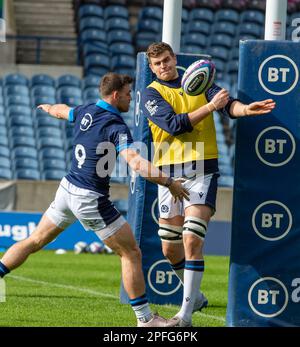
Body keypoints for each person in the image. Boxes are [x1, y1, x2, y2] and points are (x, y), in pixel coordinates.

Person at [0, 72, 189, 327]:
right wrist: (169, 182)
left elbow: (61, 110)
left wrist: (47, 108)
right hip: (89, 196)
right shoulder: (115, 125)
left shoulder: (85, 111)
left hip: (67, 188)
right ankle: (145, 320)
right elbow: (135, 163)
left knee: (35, 240)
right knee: (131, 253)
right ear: (115, 95)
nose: (130, 98)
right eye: (127, 94)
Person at [142, 42, 276, 327]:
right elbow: (174, 124)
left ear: (174, 58)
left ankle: (185, 315)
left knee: (192, 239)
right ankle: (197, 297)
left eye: (166, 60)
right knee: (170, 249)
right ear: (152, 68)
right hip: (168, 174)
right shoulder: (151, 94)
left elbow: (226, 105)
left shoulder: (199, 79)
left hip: (203, 168)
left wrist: (244, 109)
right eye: (157, 64)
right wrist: (210, 107)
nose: (164, 66)